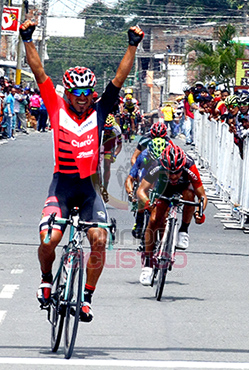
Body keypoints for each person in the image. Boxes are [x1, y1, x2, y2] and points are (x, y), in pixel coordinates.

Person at [19, 19, 144, 321]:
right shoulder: (55, 106)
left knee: (99, 240)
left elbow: (119, 77)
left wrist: (132, 44)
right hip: (61, 186)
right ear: (67, 93)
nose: (81, 96)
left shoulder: (100, 111)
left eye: (87, 91)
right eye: (76, 92)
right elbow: (38, 71)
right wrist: (26, 39)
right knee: (50, 239)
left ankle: (86, 297)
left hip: (89, 190)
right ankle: (46, 279)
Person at [136, 144, 208, 286]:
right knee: (154, 219)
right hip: (162, 189)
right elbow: (141, 191)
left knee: (189, 195)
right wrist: (148, 203)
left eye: (177, 172)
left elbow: (202, 196)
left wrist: (200, 212)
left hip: (183, 189)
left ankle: (183, 231)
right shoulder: (157, 165)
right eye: (170, 172)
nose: (174, 176)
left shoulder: (190, 166)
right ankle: (148, 265)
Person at [125, 137, 167, 239]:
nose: (155, 162)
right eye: (153, 159)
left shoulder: (168, 158)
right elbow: (129, 179)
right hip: (146, 173)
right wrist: (130, 192)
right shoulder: (143, 156)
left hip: (161, 175)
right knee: (143, 191)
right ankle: (139, 221)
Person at [101, 114, 123, 202]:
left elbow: (120, 145)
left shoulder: (116, 129)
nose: (107, 131)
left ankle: (105, 188)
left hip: (109, 147)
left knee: (107, 165)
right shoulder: (99, 126)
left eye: (109, 129)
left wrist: (115, 155)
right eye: (105, 129)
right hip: (99, 144)